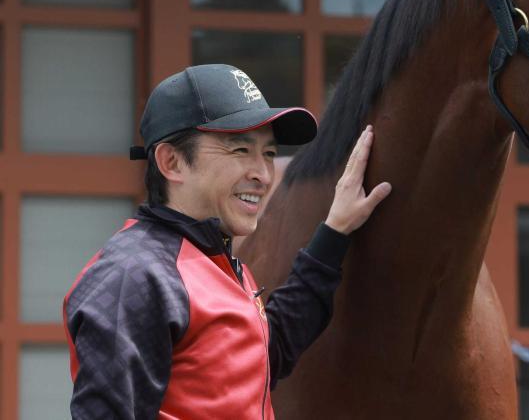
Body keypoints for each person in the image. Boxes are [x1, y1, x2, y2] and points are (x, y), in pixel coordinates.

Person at [64, 64, 391, 419]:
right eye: (239, 151)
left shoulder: (213, 257)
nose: (263, 175)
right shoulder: (134, 276)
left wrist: (335, 230)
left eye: (268, 153)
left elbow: (266, 354)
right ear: (171, 162)